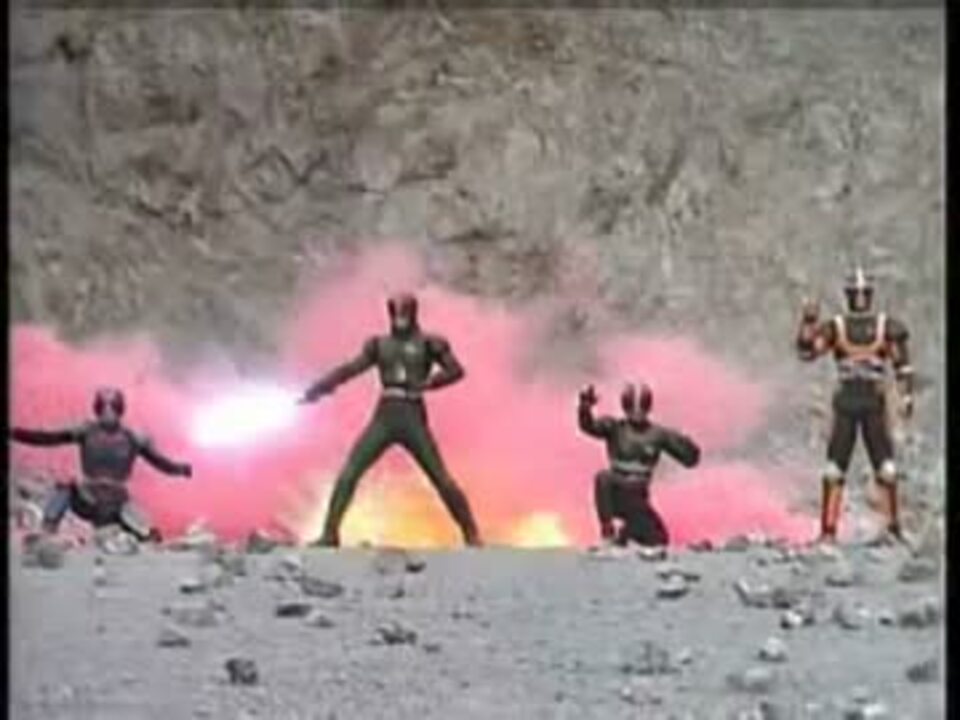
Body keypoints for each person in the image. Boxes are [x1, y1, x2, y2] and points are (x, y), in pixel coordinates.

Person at [299, 292, 482, 547]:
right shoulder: (380, 345)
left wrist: (429, 383)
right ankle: (330, 533)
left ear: (414, 313)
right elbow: (351, 369)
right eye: (396, 312)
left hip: (412, 414)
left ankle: (471, 533)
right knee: (350, 471)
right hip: (386, 414)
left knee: (440, 477)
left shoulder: (429, 343)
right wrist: (320, 388)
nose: (400, 318)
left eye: (404, 312)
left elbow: (456, 371)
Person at [795, 266, 914, 543]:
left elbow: (903, 366)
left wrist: (905, 397)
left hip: (869, 402)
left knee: (884, 467)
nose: (859, 299)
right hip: (849, 403)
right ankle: (829, 531)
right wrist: (808, 322)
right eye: (856, 294)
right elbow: (807, 351)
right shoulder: (837, 327)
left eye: (862, 294)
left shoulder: (883, 327)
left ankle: (892, 527)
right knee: (836, 468)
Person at [9, 387, 192, 541]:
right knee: (65, 487)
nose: (108, 411)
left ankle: (133, 535)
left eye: (112, 407)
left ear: (120, 410)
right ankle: (48, 529)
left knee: (150, 537)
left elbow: (161, 463)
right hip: (89, 499)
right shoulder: (85, 431)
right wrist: (16, 433)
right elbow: (47, 438)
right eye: (103, 407)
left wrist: (181, 469)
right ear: (97, 409)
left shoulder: (134, 438)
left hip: (117, 504)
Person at [577, 382, 700, 546]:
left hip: (638, 499)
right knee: (603, 478)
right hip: (615, 494)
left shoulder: (659, 434)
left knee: (659, 540)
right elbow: (588, 427)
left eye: (642, 407)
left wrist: (689, 447)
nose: (637, 413)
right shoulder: (614, 428)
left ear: (648, 407)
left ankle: (624, 537)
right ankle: (607, 533)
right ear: (624, 406)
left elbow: (690, 460)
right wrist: (584, 408)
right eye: (631, 407)